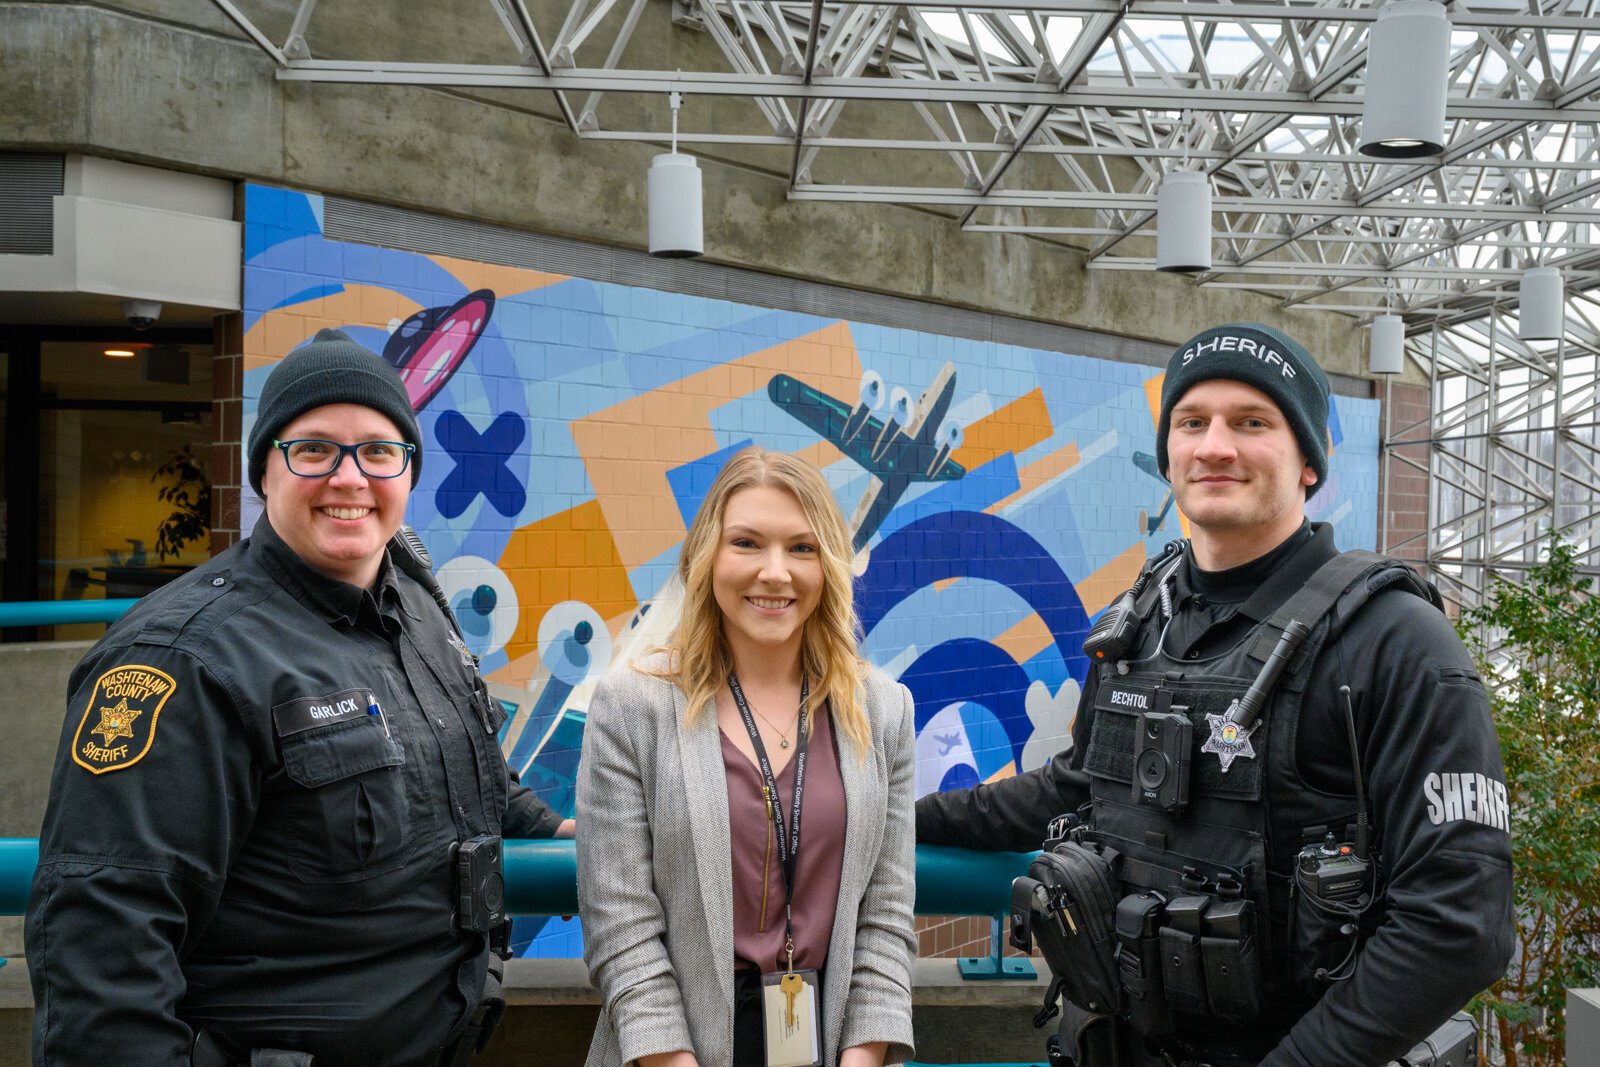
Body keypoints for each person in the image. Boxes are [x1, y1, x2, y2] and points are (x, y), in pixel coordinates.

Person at [917, 323, 1515, 1067]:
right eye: (1192, 422)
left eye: (1252, 422)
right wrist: (886, 815)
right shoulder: (1138, 623)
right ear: (1169, 453)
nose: (1215, 445)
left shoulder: (1395, 641)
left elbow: (1460, 925)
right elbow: (1074, 789)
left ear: (1308, 463)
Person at [26, 328, 571, 1066]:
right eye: (314, 449)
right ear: (265, 471)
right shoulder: (183, 658)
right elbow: (101, 942)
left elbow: (464, 754)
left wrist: (555, 832)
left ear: (407, 471)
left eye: (378, 451)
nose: (350, 477)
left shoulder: (413, 604)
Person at [577, 446, 916, 1067]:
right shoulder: (632, 707)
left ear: (830, 567)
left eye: (802, 548)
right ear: (707, 558)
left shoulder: (883, 711)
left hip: (834, 1046)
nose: (775, 572)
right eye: (747, 543)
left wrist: (862, 1060)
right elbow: (621, 926)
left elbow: (887, 918)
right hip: (676, 1055)